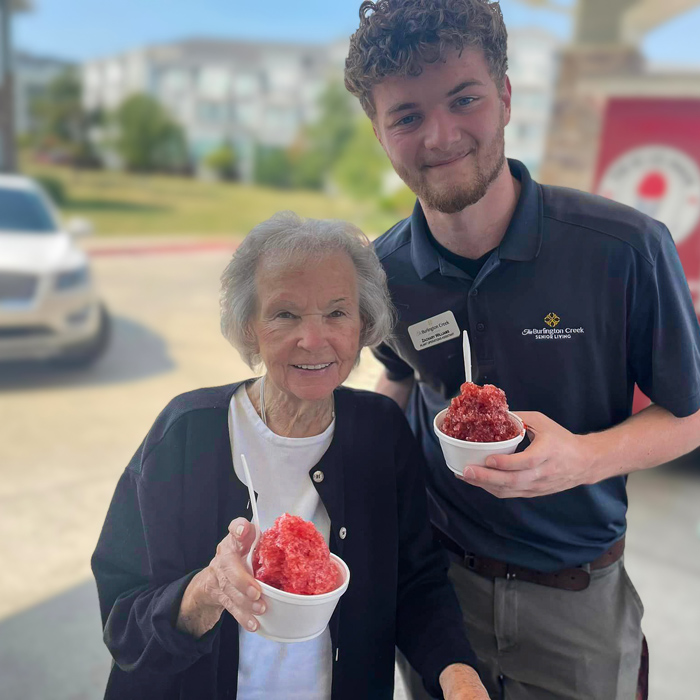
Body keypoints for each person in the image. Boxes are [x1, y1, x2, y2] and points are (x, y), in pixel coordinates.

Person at [343, 1, 700, 699]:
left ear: (505, 97)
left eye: (464, 98)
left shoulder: (625, 248)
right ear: (380, 133)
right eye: (407, 116)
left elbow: (690, 413)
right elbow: (400, 381)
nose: (440, 135)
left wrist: (583, 459)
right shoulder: (384, 272)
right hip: (438, 597)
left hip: (577, 602)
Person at [91, 211, 490, 700]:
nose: (313, 339)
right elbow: (123, 621)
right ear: (248, 327)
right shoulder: (186, 433)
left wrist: (459, 675)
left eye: (337, 313)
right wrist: (208, 590)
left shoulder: (380, 432)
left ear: (363, 324)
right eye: (285, 314)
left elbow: (417, 582)